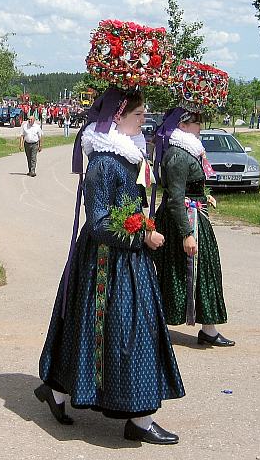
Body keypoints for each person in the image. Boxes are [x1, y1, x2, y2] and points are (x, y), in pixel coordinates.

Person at [36, 88, 184, 445]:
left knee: (99, 332)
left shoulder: (129, 156)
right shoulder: (103, 163)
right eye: (138, 116)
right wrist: (142, 236)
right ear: (117, 117)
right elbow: (101, 222)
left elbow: (131, 208)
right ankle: (136, 417)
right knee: (119, 332)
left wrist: (143, 227)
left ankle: (62, 392)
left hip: (129, 260)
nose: (144, 122)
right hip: (105, 261)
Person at [152, 108, 234, 347]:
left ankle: (209, 328)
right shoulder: (177, 155)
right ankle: (161, 325)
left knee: (205, 272)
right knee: (179, 272)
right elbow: (176, 198)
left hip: (195, 215)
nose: (201, 126)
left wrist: (204, 196)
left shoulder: (189, 151)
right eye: (196, 122)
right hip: (182, 221)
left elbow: (190, 187)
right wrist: (187, 234)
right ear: (183, 126)